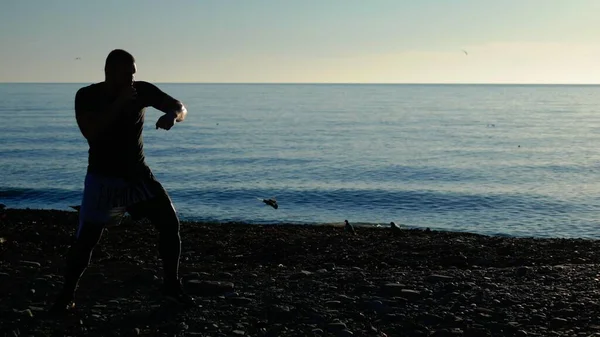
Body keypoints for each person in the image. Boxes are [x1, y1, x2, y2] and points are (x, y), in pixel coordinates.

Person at [50, 49, 194, 313]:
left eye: (133, 73)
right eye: (127, 73)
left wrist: (174, 115)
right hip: (102, 179)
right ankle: (66, 295)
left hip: (137, 176)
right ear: (110, 72)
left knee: (169, 224)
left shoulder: (141, 91)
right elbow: (91, 133)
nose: (132, 79)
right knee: (87, 239)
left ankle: (171, 287)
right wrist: (118, 104)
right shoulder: (87, 96)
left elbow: (180, 106)